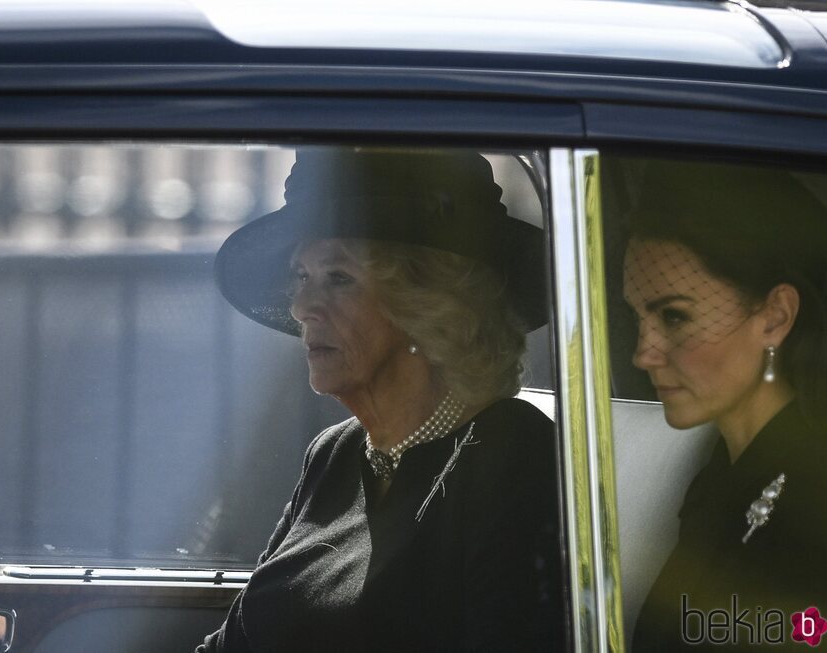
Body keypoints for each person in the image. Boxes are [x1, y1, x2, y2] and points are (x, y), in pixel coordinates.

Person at [196, 148, 567, 652]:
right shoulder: (336, 452)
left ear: (427, 303)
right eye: (302, 276)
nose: (302, 306)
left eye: (338, 278)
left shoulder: (510, 453)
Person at [621, 160, 827, 651]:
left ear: (775, 317)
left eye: (675, 316)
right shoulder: (720, 472)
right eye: (638, 316)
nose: (643, 352)